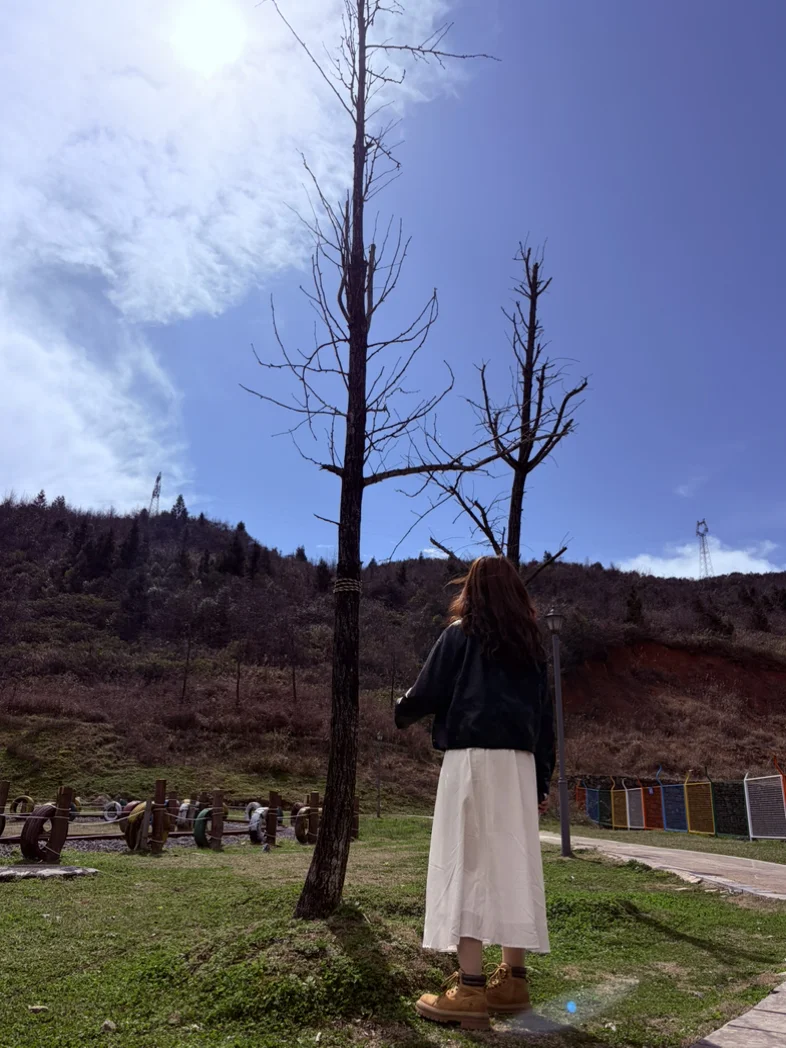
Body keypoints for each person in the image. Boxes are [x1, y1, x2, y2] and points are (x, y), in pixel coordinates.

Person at [394, 555, 555, 1031]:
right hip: (519, 767)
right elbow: (545, 724)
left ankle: (469, 989)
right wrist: (540, 781)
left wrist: (401, 708)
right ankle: (514, 982)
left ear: (472, 591)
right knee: (512, 864)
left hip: (471, 762)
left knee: (466, 864)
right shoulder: (531, 649)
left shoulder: (460, 636)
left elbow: (426, 692)